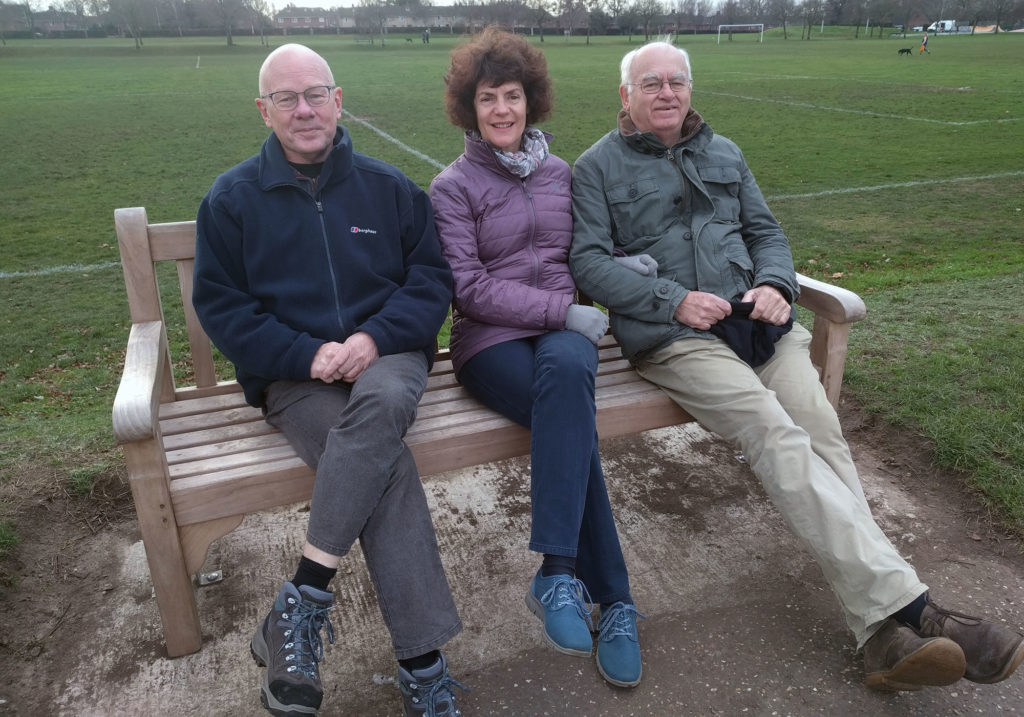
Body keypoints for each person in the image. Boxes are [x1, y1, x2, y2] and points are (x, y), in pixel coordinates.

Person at [569, 40, 1024, 692]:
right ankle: (922, 611)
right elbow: (588, 263)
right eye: (650, 83)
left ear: (690, 88)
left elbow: (767, 232)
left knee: (819, 428)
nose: (665, 92)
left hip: (759, 326)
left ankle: (878, 636)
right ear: (626, 96)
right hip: (674, 336)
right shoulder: (596, 168)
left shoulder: (725, 152)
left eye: (677, 81)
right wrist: (673, 299)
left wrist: (778, 281)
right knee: (772, 429)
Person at [193, 43, 467, 717]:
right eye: (285, 98)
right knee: (385, 463)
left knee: (375, 417)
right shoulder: (230, 202)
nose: (304, 109)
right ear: (264, 111)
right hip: (296, 377)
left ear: (339, 101)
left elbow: (431, 280)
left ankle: (303, 598)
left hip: (390, 355)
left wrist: (373, 338)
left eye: (316, 93)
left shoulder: (389, 187)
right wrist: (306, 353)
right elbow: (223, 308)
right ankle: (424, 665)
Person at [429, 27, 644, 688]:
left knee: (572, 373)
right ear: (471, 108)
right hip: (488, 342)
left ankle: (556, 574)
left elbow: (575, 254)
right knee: (571, 411)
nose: (502, 110)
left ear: (532, 101)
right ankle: (616, 600)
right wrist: (562, 311)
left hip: (561, 338)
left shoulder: (559, 173)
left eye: (513, 96)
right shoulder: (453, 187)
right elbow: (469, 288)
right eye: (489, 97)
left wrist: (616, 269)